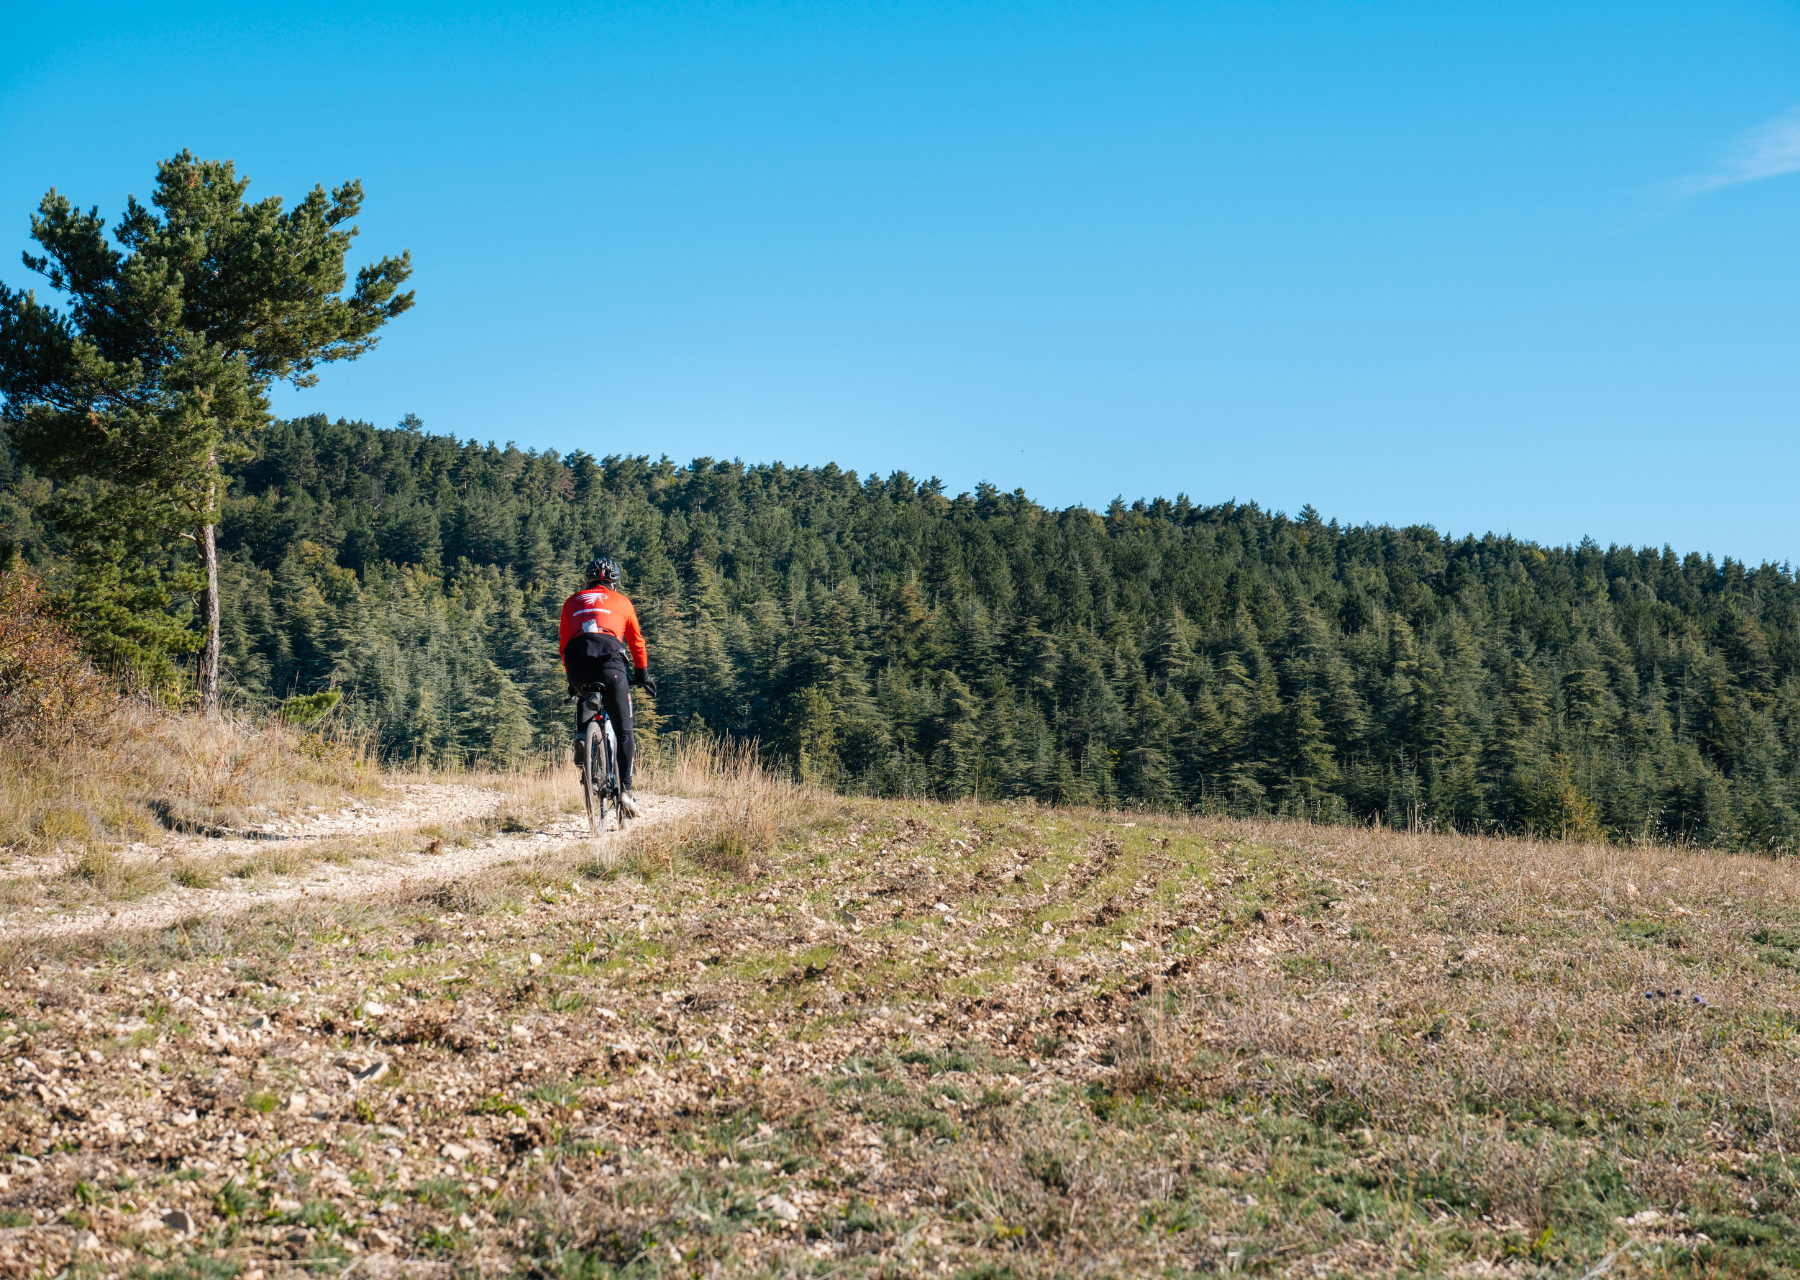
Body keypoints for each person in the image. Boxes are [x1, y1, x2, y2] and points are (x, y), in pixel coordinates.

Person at [559, 556, 656, 817]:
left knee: (586, 694)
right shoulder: (622, 602)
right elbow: (637, 643)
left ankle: (583, 735)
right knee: (624, 731)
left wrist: (571, 679)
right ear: (614, 582)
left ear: (588, 580)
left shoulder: (572, 601)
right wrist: (643, 674)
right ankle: (625, 791)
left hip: (577, 665)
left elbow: (563, 644)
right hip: (611, 665)